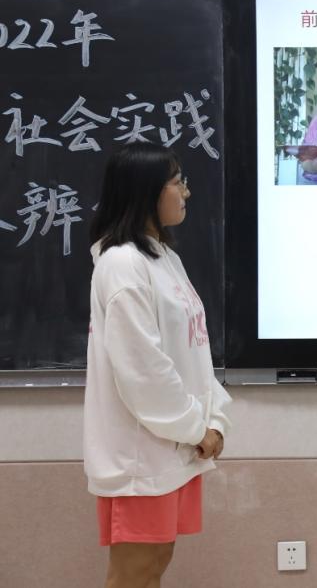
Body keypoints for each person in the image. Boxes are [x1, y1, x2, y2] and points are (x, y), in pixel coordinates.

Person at [84, 142, 232, 588]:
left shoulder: (164, 257)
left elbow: (194, 354)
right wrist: (196, 429)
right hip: (142, 456)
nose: (186, 192)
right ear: (146, 190)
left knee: (155, 565)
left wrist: (214, 420)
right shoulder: (122, 264)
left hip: (173, 446)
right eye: (177, 182)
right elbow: (143, 370)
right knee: (135, 574)